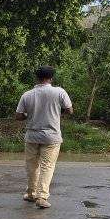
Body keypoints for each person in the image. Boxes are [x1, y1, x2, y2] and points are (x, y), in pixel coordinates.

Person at [16, 66, 72, 209]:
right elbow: (69, 110)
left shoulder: (27, 95)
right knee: (47, 166)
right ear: (51, 78)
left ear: (37, 78)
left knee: (31, 165)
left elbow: (18, 116)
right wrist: (56, 114)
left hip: (32, 136)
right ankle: (41, 197)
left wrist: (29, 115)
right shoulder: (59, 92)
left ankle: (31, 193)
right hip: (51, 137)